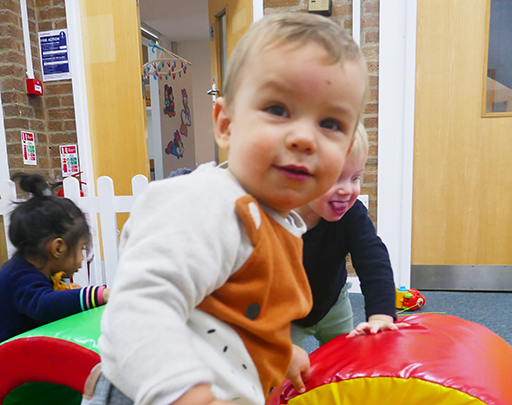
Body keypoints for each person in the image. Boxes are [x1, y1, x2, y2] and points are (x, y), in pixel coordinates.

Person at [87, 12, 368, 405]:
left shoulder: (282, 221)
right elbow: (141, 303)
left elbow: (239, 314)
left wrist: (281, 352)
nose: (304, 137)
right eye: (277, 109)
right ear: (225, 125)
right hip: (154, 391)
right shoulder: (205, 201)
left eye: (331, 123)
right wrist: (184, 392)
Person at [291, 124, 409, 349]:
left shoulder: (351, 214)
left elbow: (373, 259)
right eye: (335, 178)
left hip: (333, 303)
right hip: (283, 315)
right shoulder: (276, 219)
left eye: (355, 178)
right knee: (277, 373)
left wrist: (381, 315)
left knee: (345, 359)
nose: (347, 190)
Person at [0, 173, 110, 342]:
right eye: (81, 249)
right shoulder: (19, 276)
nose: (82, 258)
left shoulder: (33, 271)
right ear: (58, 248)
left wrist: (67, 293)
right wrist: (97, 295)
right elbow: (45, 306)